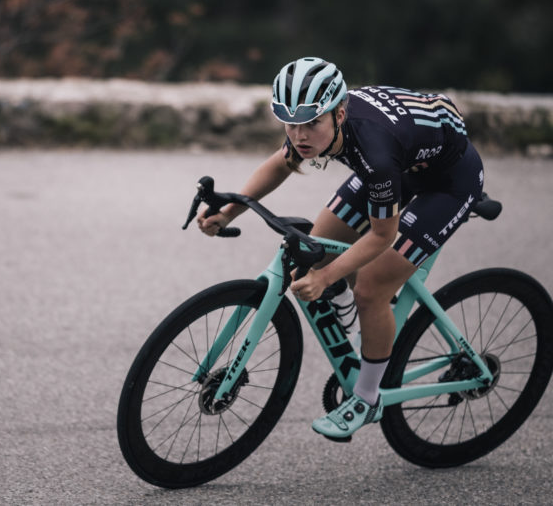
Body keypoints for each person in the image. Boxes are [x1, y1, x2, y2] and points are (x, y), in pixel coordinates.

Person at [196, 57, 484, 439]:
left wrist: (327, 277)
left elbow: (382, 236)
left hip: (448, 183)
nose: (300, 136)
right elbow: (282, 163)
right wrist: (228, 211)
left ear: (339, 114)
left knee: (371, 287)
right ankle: (351, 312)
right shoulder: (314, 121)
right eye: (290, 123)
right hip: (403, 163)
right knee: (320, 245)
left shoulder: (375, 153)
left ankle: (367, 398)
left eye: (311, 124)